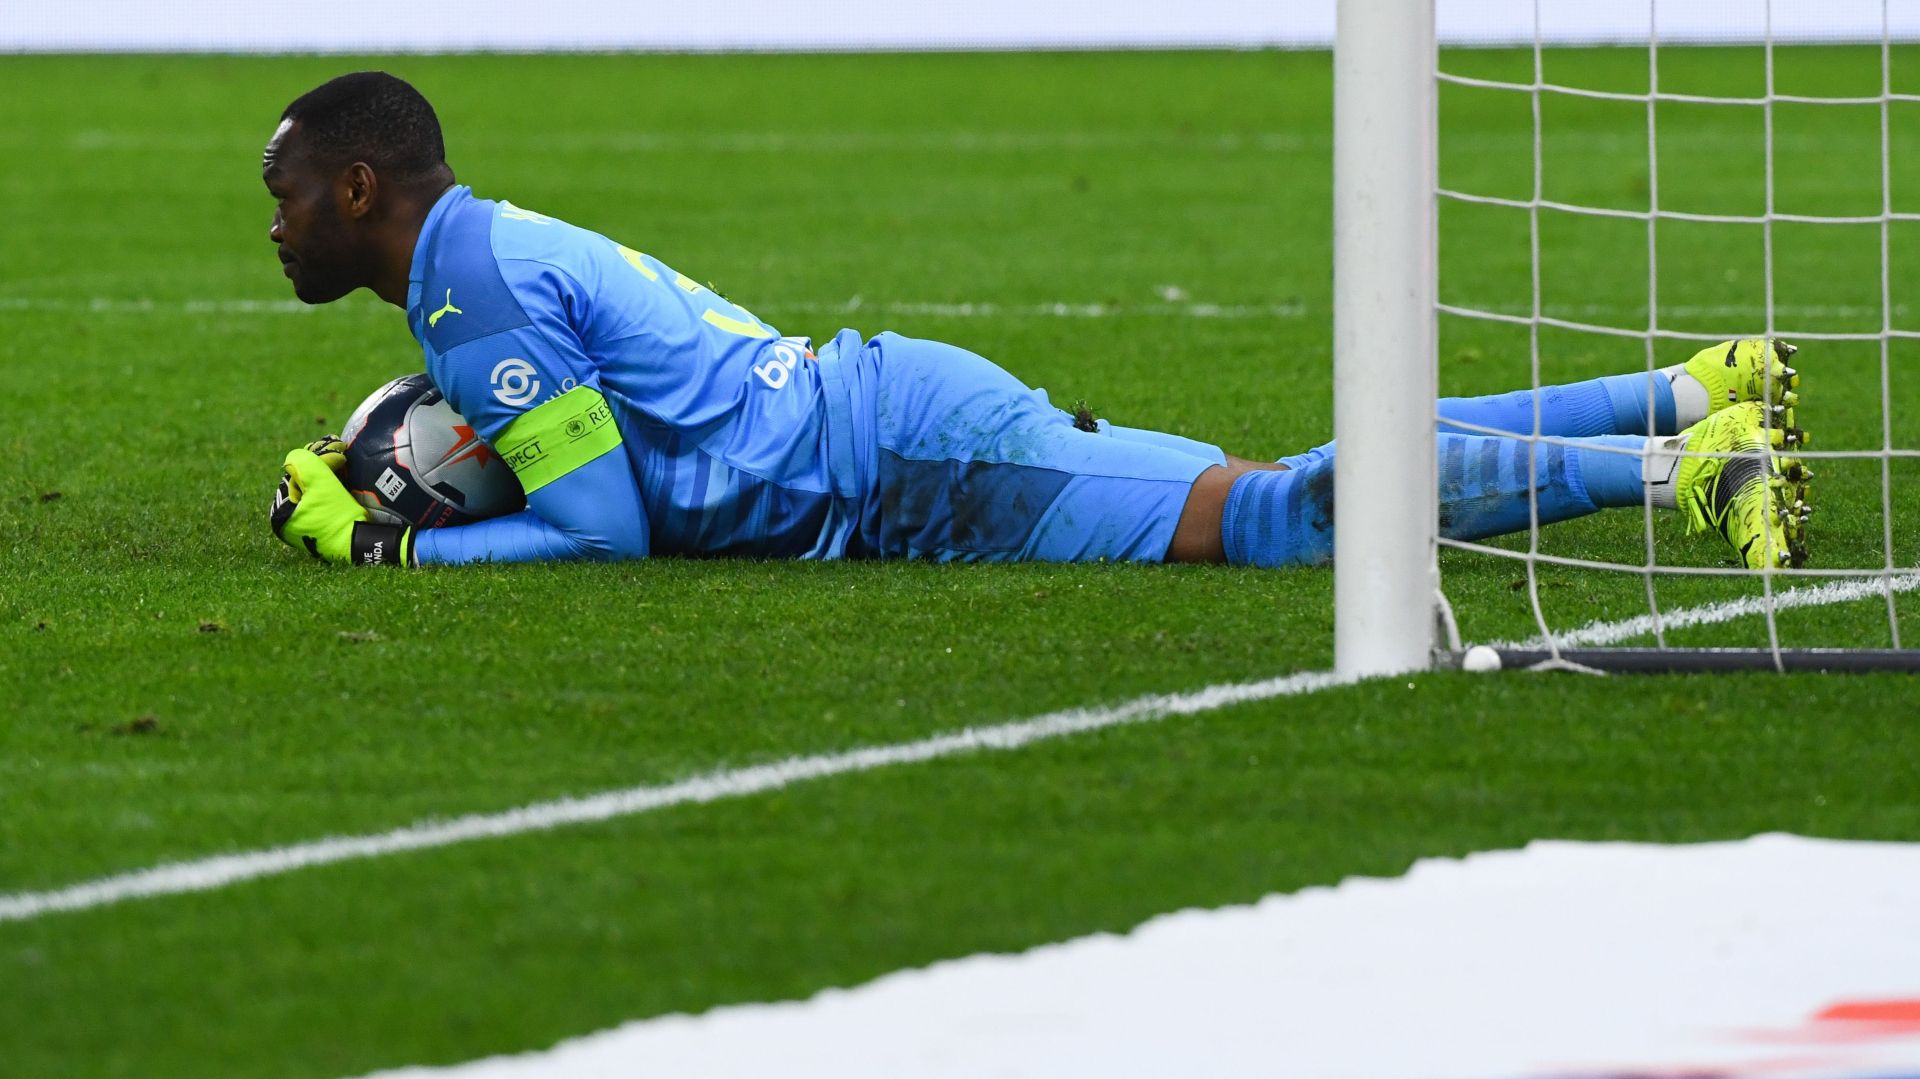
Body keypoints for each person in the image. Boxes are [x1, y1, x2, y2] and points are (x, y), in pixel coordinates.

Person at [265, 72, 1810, 572]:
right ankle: (1687, 389)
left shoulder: (469, 292)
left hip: (905, 468)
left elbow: (601, 525)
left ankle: (1701, 472)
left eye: (281, 198)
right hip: (895, 417)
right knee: (1278, 484)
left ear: (356, 189)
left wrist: (398, 542)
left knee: (1277, 522)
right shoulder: (489, 247)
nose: (270, 230)